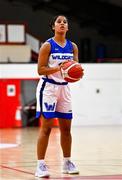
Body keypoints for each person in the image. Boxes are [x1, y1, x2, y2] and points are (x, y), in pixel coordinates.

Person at [35, 14, 80, 178]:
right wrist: (58, 69)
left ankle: (67, 162)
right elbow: (40, 70)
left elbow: (74, 69)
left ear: (67, 27)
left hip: (64, 88)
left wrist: (76, 74)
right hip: (48, 88)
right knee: (46, 127)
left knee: (66, 129)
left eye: (65, 22)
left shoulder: (72, 46)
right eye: (59, 22)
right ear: (53, 27)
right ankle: (40, 165)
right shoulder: (47, 46)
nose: (62, 24)